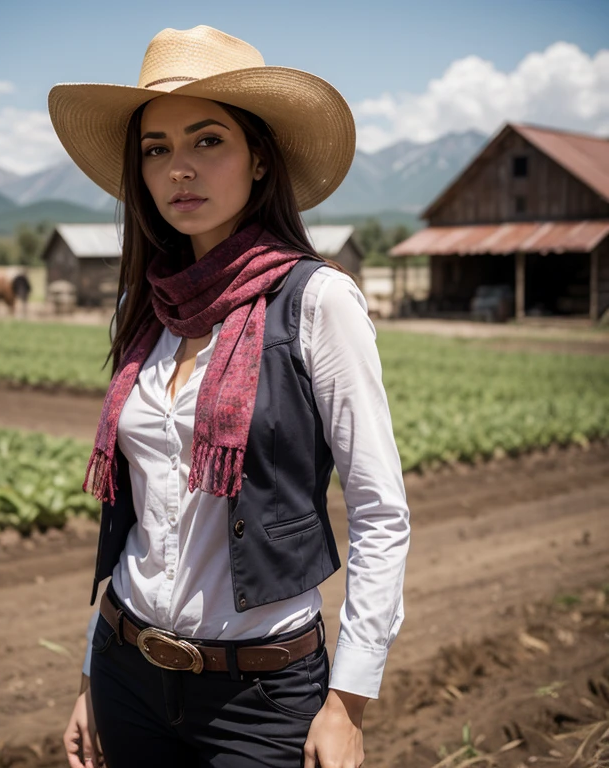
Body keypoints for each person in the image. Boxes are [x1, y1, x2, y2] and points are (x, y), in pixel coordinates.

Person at [53, 24, 410, 768]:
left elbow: (380, 513)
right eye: (155, 149)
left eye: (207, 140)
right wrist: (92, 672)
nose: (178, 169)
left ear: (259, 161)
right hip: (126, 671)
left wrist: (348, 701)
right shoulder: (143, 308)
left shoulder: (317, 302)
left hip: (261, 696)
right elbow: (140, 521)